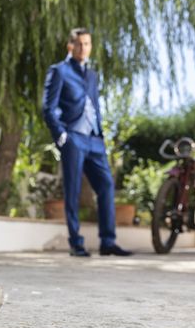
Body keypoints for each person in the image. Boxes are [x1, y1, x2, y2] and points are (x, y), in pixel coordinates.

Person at [42, 27, 132, 257]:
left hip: (94, 140)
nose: (84, 48)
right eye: (79, 44)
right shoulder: (59, 71)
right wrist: (62, 136)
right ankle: (77, 243)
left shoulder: (92, 75)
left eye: (87, 44)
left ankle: (108, 242)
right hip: (73, 138)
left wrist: (101, 134)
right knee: (72, 191)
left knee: (106, 187)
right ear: (70, 46)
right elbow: (48, 108)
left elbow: (94, 104)